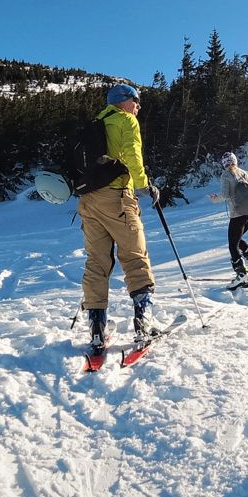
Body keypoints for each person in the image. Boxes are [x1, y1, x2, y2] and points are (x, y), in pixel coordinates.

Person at [79, 82, 164, 349]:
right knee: (135, 255)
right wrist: (144, 184)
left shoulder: (96, 122)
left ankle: (96, 328)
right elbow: (132, 153)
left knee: (97, 261)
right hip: (117, 196)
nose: (138, 106)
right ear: (123, 101)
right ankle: (143, 322)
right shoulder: (125, 120)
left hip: (89, 201)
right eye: (136, 101)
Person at [208, 151, 248, 287]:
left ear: (224, 164)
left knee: (233, 245)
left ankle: (242, 274)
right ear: (235, 161)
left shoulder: (226, 175)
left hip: (238, 214)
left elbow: (225, 195)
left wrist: (215, 199)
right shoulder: (245, 173)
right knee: (237, 240)